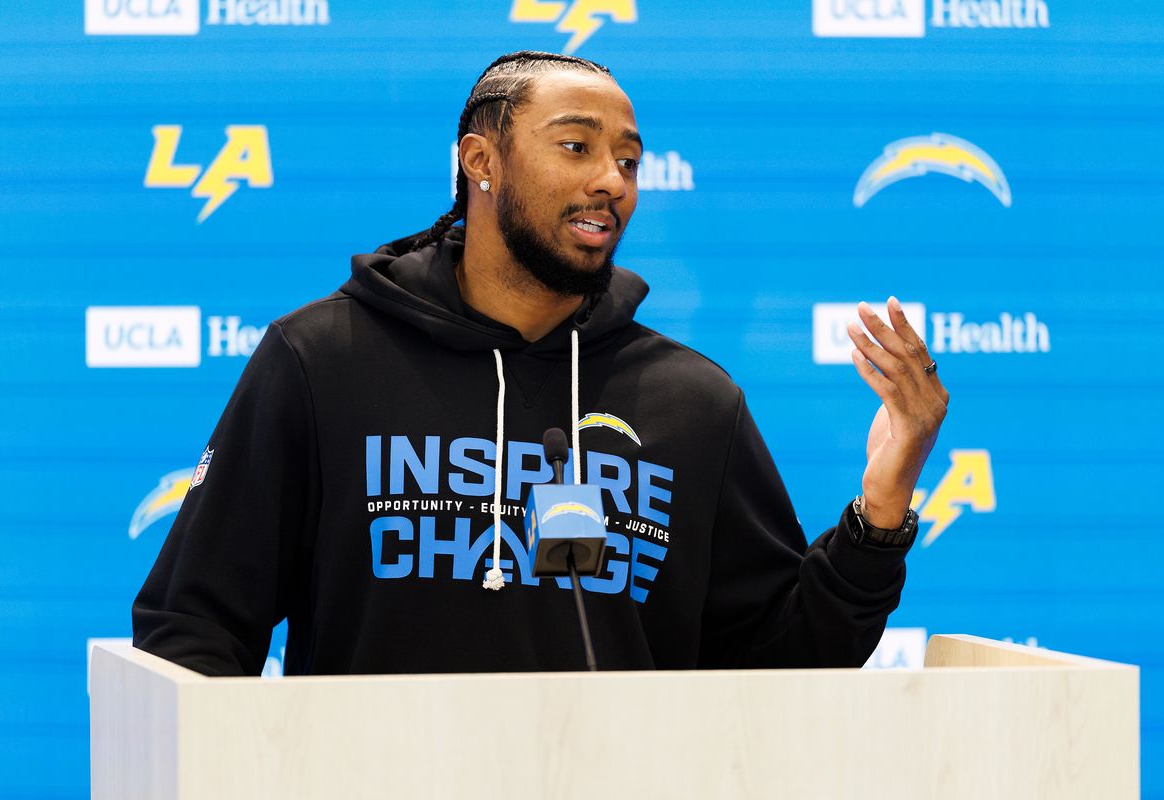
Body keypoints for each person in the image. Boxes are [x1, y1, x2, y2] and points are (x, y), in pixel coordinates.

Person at [132, 51, 949, 677]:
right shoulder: (322, 360)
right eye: (576, 147)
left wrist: (880, 510)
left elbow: (778, 663)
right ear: (480, 162)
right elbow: (193, 626)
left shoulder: (693, 402)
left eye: (628, 160)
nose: (611, 182)